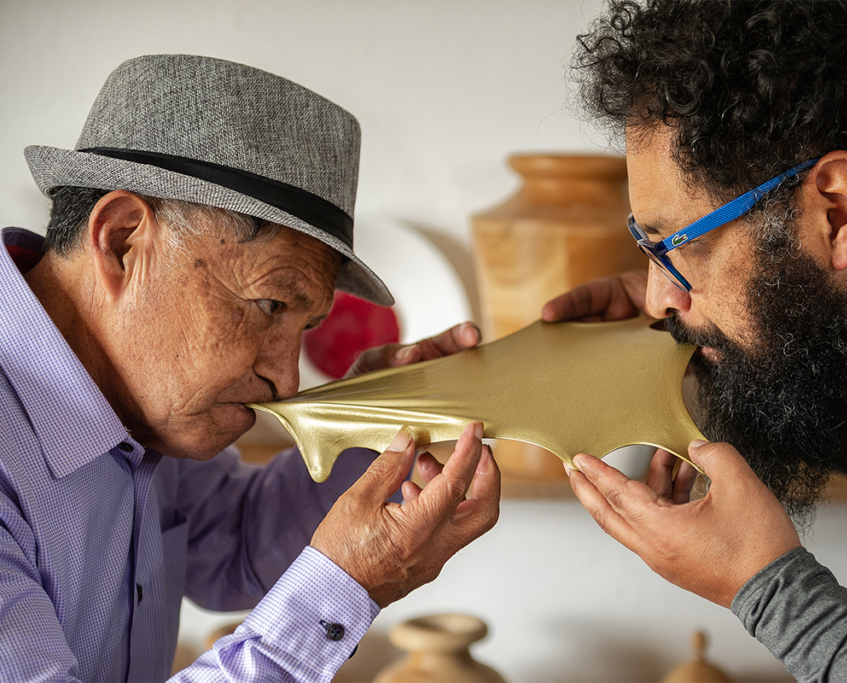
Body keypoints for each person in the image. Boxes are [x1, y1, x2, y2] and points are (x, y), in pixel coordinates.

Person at [543, 1, 847, 680]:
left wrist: (771, 587)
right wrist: (711, 353)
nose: (656, 297)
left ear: (837, 209)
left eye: (680, 245)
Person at [0, 54, 500, 681]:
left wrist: (368, 428)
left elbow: (233, 541)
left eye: (306, 326)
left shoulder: (137, 399)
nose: (286, 382)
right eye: (269, 305)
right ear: (123, 240)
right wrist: (346, 583)